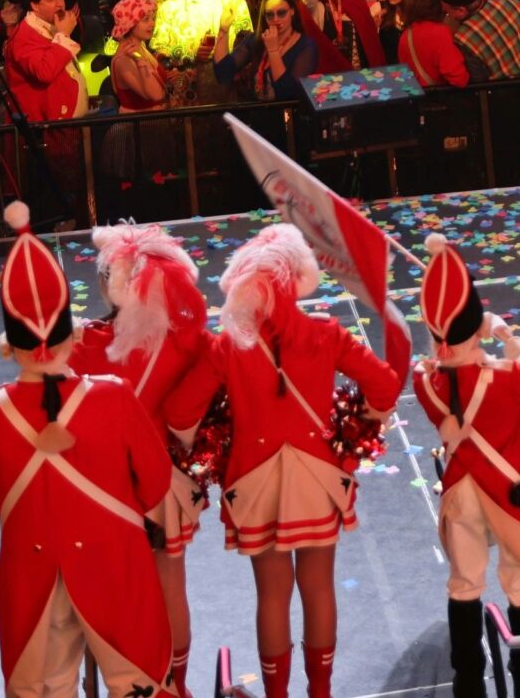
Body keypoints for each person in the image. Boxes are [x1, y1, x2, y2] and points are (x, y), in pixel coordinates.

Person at [166, 224, 402, 698]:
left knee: (271, 594)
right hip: (317, 480)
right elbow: (385, 386)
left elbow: (179, 415)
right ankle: (320, 692)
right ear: (297, 280)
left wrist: (212, 440)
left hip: (255, 487)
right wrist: (360, 424)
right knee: (319, 587)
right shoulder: (326, 335)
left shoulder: (228, 345)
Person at [0, 204, 174, 698]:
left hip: (30, 580)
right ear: (75, 336)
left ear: (6, 347)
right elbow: (156, 483)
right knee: (139, 685)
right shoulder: (113, 397)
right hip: (117, 569)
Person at [409, 234, 520, 698]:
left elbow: (429, 368)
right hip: (510, 492)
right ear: (475, 325)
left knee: (464, 585)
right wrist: (505, 333)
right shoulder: (506, 379)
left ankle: (468, 684)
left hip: (461, 493)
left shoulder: (424, 383)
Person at [69, 223, 212, 698]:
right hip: (163, 486)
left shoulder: (84, 344)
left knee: (108, 594)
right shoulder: (184, 343)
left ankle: (120, 685)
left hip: (101, 491)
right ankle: (176, 685)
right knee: (172, 584)